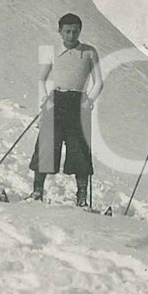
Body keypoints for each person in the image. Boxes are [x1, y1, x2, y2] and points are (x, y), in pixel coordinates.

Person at [29, 13, 103, 206]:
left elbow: (98, 82)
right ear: (60, 31)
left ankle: (82, 197)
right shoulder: (52, 52)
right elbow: (41, 79)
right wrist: (45, 99)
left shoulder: (89, 52)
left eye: (75, 31)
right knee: (46, 146)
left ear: (80, 31)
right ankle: (37, 191)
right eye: (67, 31)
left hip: (79, 102)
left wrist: (90, 101)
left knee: (79, 149)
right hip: (56, 100)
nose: (71, 35)